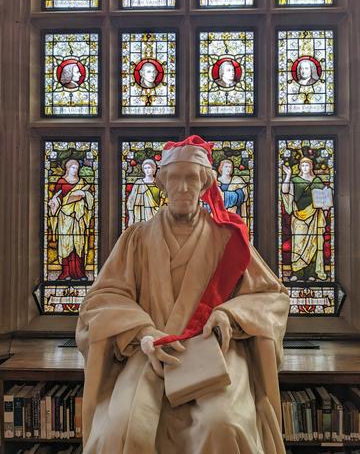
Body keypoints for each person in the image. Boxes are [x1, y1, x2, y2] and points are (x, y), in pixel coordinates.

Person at [76, 135, 289, 454]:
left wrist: (229, 314)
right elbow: (102, 298)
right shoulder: (136, 239)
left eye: (192, 178)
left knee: (223, 425)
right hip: (149, 354)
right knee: (119, 429)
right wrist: (142, 331)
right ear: (162, 184)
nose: (184, 187)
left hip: (213, 356)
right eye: (175, 178)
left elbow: (271, 297)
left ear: (205, 185)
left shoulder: (227, 239)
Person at [281, 157, 328, 281]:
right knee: (298, 243)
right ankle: (297, 272)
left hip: (314, 215)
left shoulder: (317, 180)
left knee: (313, 243)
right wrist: (288, 175)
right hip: (298, 215)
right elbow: (285, 191)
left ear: (311, 167)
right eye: (303, 166)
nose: (305, 168)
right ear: (300, 167)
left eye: (307, 165)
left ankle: (311, 272)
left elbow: (324, 196)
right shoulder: (295, 180)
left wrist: (326, 202)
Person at [48, 159, 94, 281]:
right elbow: (57, 198)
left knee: (78, 245)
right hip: (65, 218)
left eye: (77, 168)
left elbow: (90, 199)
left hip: (78, 219)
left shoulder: (82, 182)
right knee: (65, 245)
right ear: (67, 169)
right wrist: (53, 203)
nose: (75, 170)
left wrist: (84, 194)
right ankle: (66, 273)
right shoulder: (61, 181)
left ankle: (79, 273)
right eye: (73, 167)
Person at [126, 158, 165, 225]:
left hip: (157, 215)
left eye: (149, 168)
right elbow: (131, 200)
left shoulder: (159, 183)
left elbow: (164, 199)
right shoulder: (139, 183)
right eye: (145, 168)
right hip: (141, 215)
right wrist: (131, 216)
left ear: (154, 169)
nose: (147, 170)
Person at [217, 159, 248, 225]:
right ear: (221, 168)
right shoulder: (215, 181)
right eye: (226, 167)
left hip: (234, 214)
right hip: (218, 215)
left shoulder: (237, 180)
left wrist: (224, 196)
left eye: (230, 167)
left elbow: (243, 195)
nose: (228, 169)